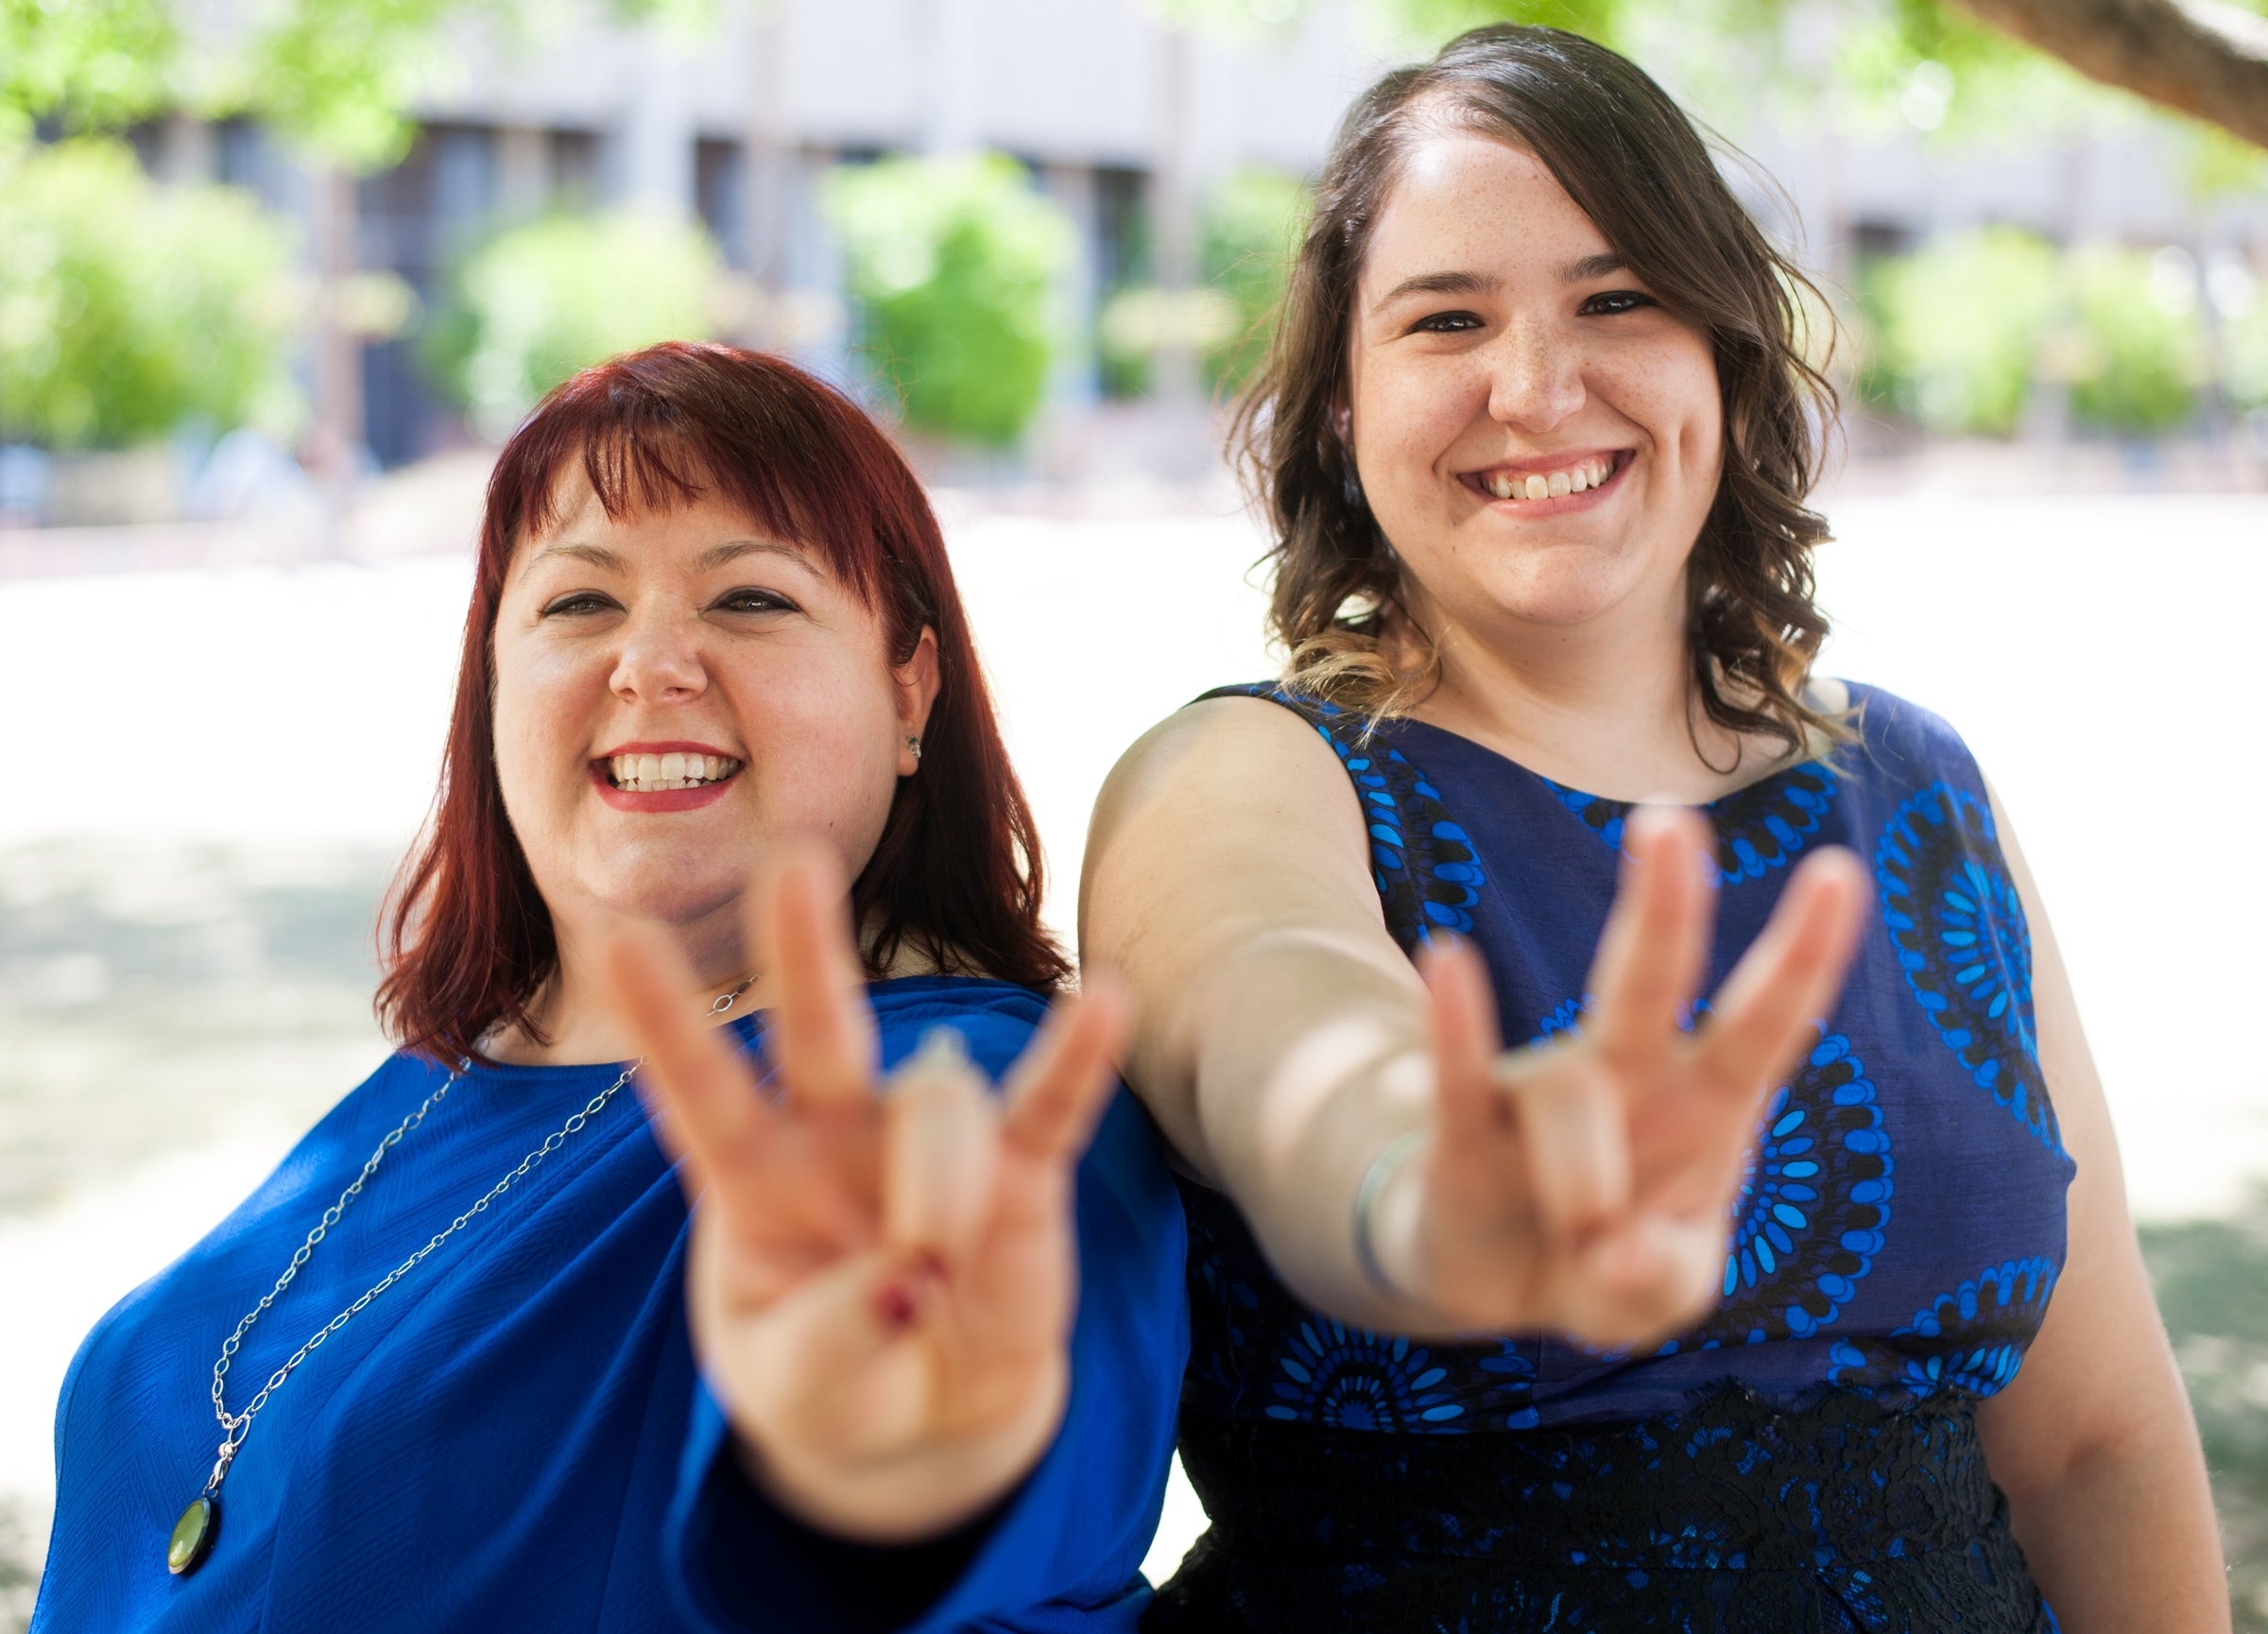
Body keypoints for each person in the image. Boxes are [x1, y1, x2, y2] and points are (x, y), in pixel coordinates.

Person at [1082, 26, 2225, 1632]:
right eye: (1447, 319)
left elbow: (2096, 1442)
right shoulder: (1241, 777)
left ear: (1722, 356)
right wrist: (1446, 1181)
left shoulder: (1923, 788)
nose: (1538, 386)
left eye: (1616, 301)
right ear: (1341, 407)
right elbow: (1283, 1028)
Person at [34, 342, 1187, 1633]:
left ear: (908, 689)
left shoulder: (959, 1093)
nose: (652, 664)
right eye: (578, 604)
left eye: (750, 599)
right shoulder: (440, 1078)